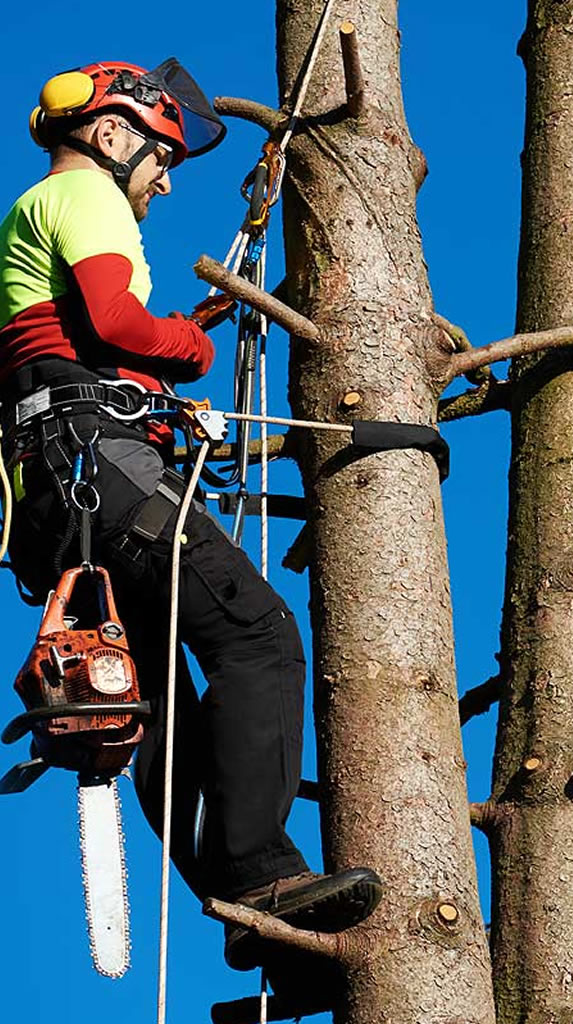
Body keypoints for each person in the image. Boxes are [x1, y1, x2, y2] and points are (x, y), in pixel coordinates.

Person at [0, 59, 382, 982]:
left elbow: (83, 342)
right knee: (257, 634)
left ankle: (253, 917)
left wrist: (168, 342)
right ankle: (259, 874)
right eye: (161, 156)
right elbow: (119, 326)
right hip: (102, 472)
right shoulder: (82, 192)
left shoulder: (33, 217)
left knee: (160, 709)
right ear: (112, 134)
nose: (163, 181)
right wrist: (190, 342)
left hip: (58, 490)